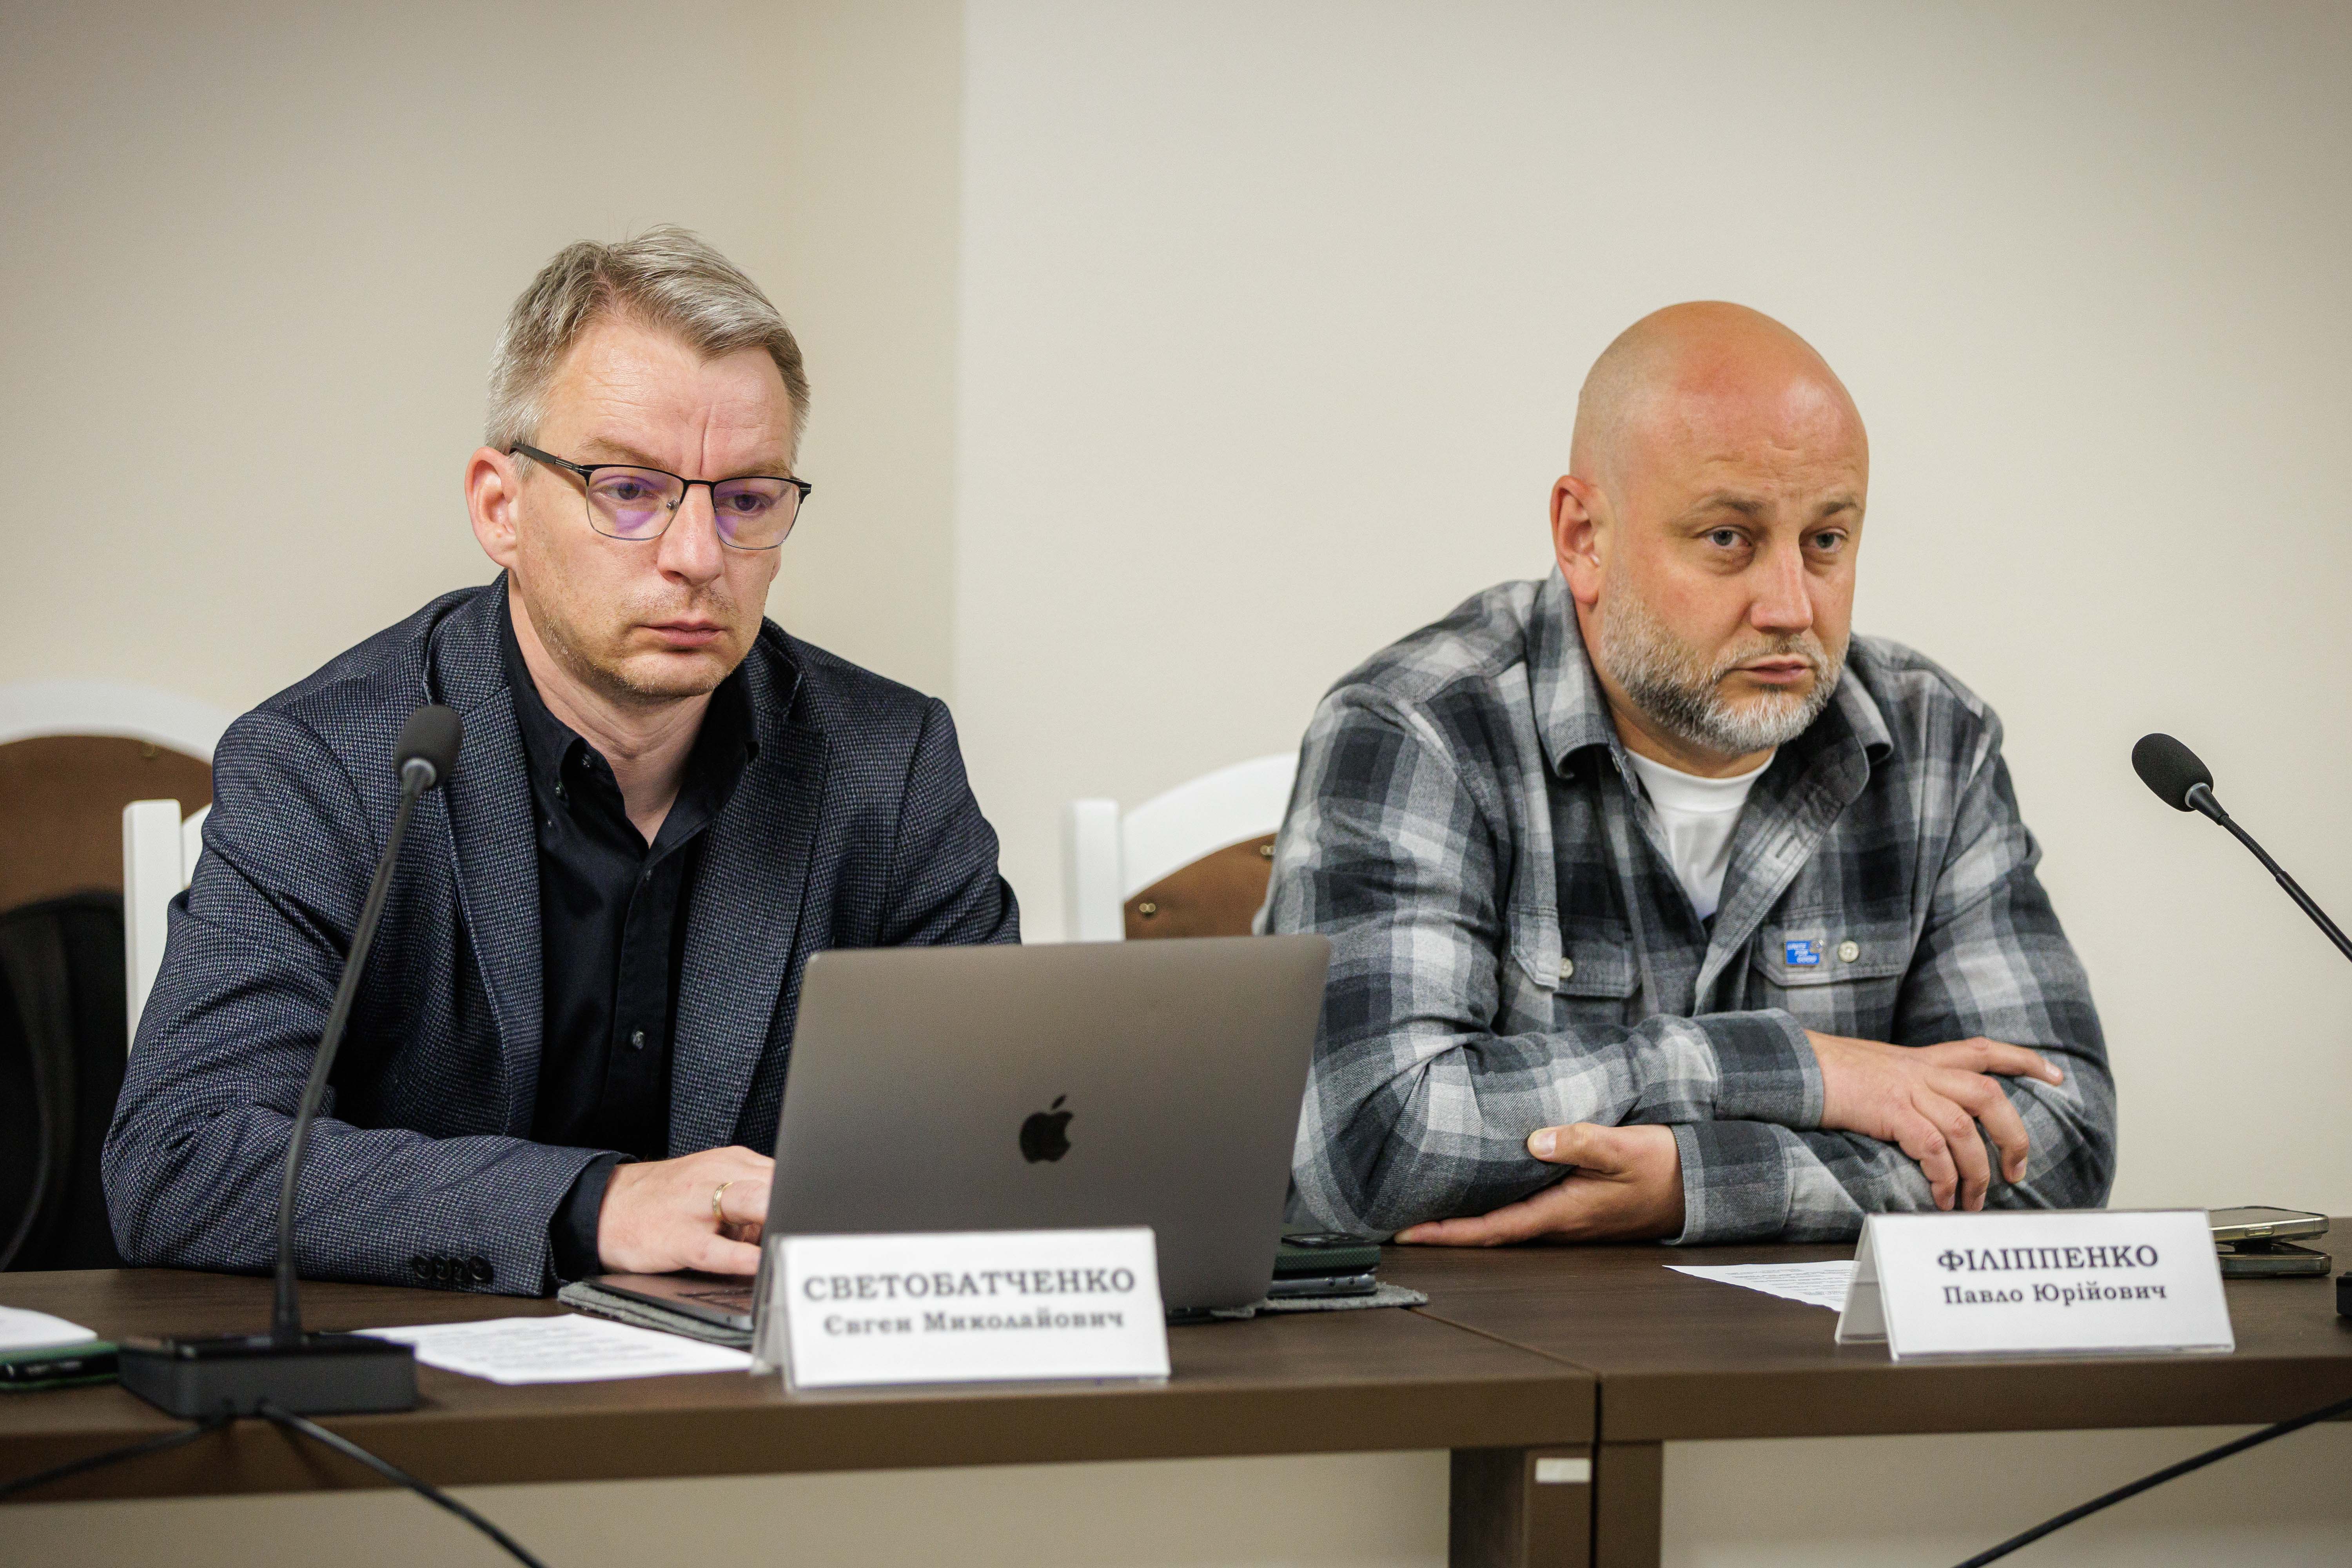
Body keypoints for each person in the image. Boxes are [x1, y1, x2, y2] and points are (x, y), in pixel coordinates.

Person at [104, 229, 1018, 1294]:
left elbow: (1003, 1133)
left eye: (747, 498)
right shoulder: (329, 766)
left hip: (764, 1368)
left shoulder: (887, 765)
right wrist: (595, 1205)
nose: (697, 556)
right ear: (501, 507)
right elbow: (184, 1156)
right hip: (433, 1369)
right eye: (629, 489)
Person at [1267, 302, 2113, 1246]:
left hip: (1810, 1343)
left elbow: (2055, 1142)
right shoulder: (1419, 726)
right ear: (1584, 536)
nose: (1791, 607)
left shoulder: (1935, 741)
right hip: (1479, 1336)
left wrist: (1697, 1184)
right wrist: (1808, 1072)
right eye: (1727, 539)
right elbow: (1379, 1138)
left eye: (1826, 541)